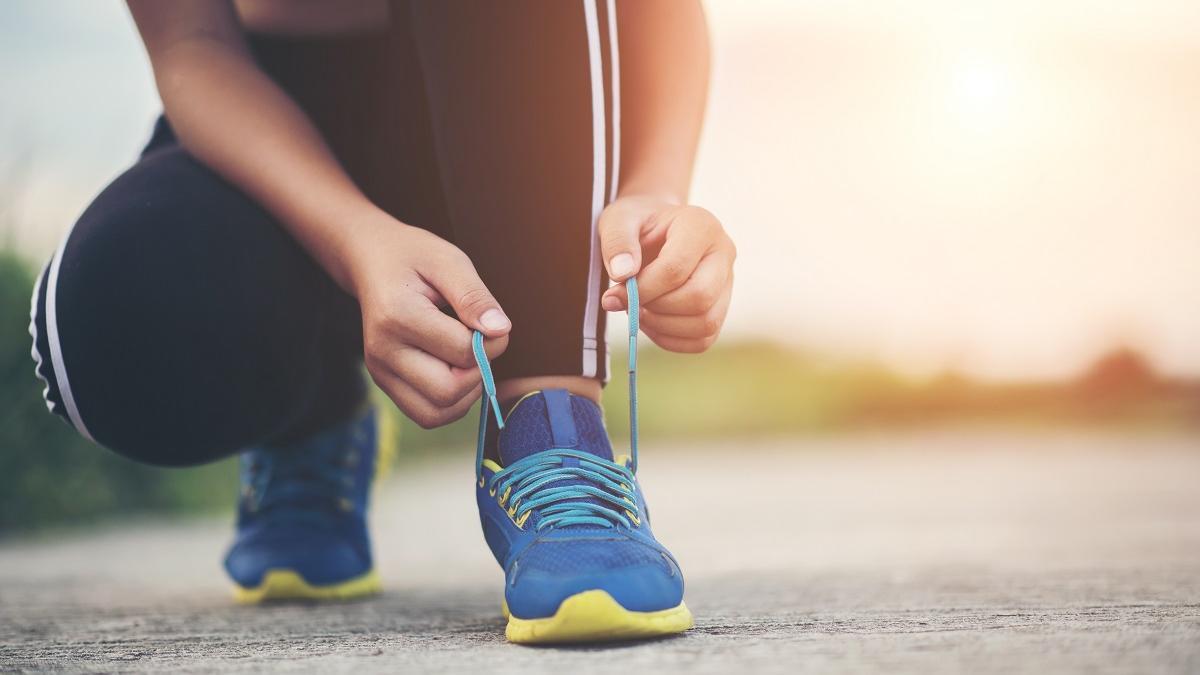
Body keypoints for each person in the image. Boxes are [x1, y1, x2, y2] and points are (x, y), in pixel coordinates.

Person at [29, 0, 734, 644]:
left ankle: (551, 427)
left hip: (517, 104)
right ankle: (312, 414)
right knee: (108, 325)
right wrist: (356, 240)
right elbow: (191, 41)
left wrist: (654, 191)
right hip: (276, 112)